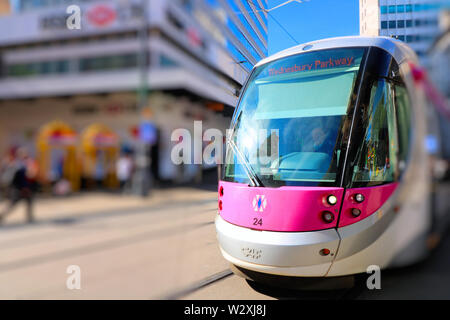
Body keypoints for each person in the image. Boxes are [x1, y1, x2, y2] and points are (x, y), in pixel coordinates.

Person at [0, 147, 38, 224]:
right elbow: (28, 175)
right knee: (14, 203)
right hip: (20, 187)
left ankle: (29, 217)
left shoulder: (17, 163)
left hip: (20, 187)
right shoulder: (21, 164)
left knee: (28, 201)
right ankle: (2, 215)